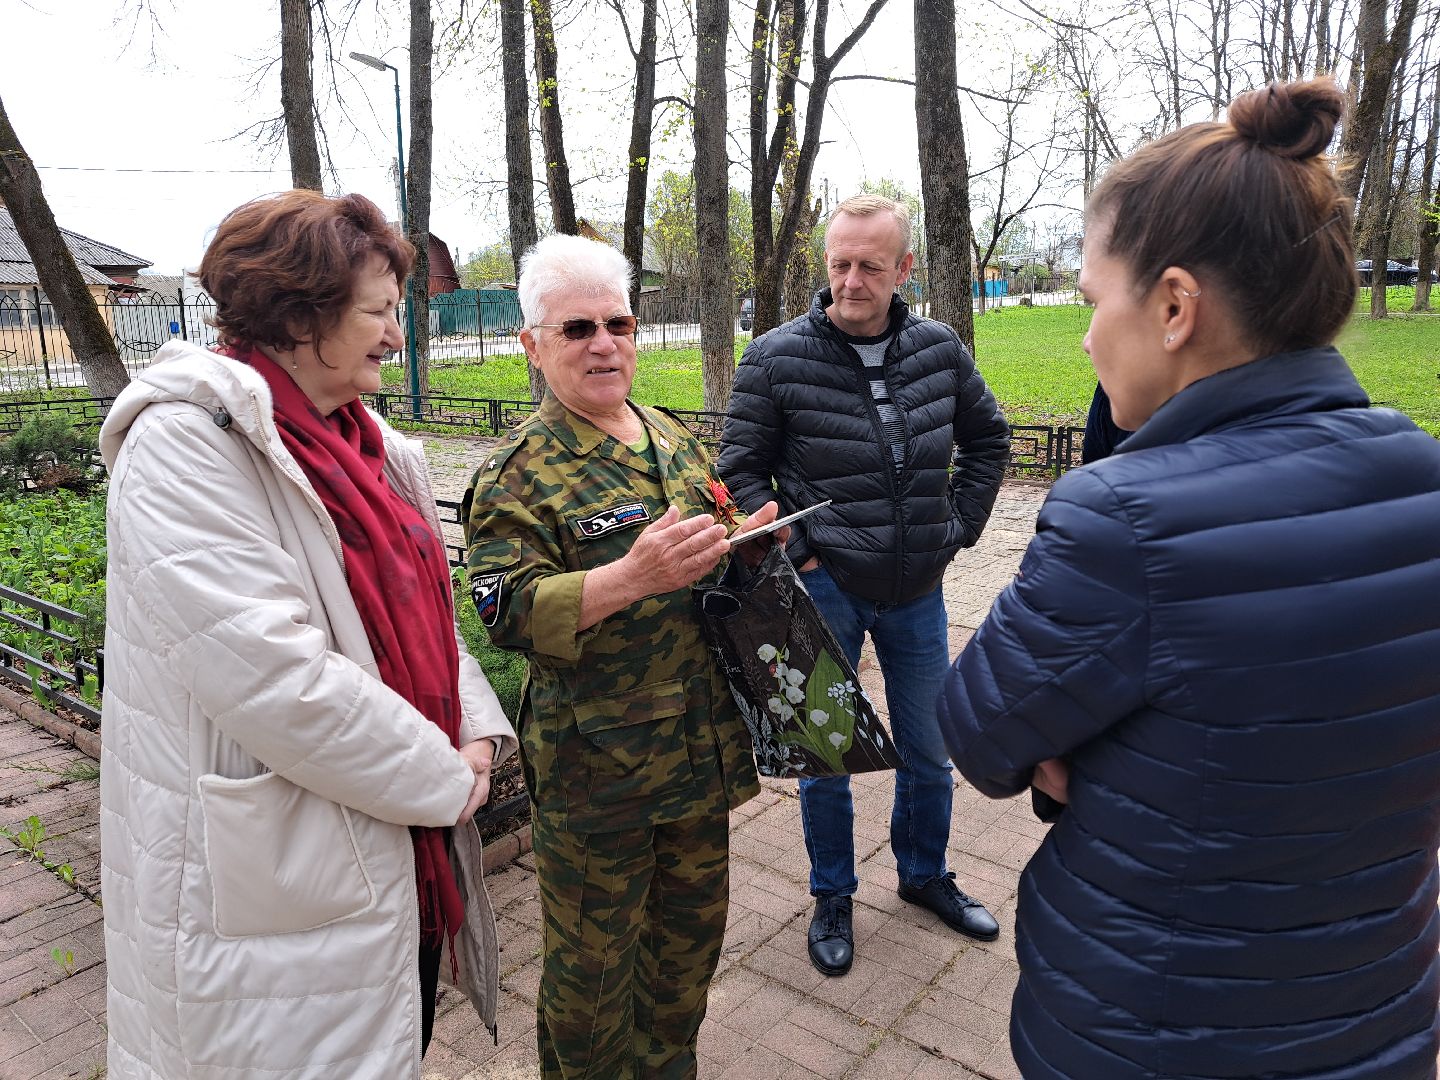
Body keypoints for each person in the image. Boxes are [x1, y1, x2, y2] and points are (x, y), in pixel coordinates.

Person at [937, 79, 1440, 1078]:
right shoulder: (1422, 476)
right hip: (1378, 1017)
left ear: (1173, 306)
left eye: (1092, 301)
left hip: (1156, 1032)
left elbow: (979, 732)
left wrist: (1087, 748)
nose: (1085, 336)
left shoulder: (1122, 522)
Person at [98, 190, 517, 1079]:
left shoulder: (374, 448)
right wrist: (445, 777)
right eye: (376, 313)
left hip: (395, 840)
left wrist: (475, 726)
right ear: (299, 313)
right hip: (276, 879)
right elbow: (273, 678)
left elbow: (426, 616)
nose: (396, 338)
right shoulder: (186, 446)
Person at [462, 233, 780, 1078]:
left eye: (619, 322)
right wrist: (626, 579)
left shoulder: (671, 440)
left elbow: (706, 555)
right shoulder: (515, 475)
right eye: (576, 329)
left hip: (698, 759)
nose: (604, 343)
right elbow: (503, 609)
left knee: (683, 965)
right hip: (600, 777)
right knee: (594, 985)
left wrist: (746, 549)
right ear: (533, 346)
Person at [718, 194, 1012, 977]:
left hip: (918, 587)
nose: (852, 281)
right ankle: (832, 895)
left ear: (903, 268)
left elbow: (989, 438)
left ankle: (922, 876)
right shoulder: (776, 357)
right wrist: (798, 544)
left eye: (870, 266)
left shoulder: (939, 349)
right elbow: (739, 467)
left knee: (929, 749)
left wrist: (960, 527)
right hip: (829, 586)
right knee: (827, 753)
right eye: (840, 264)